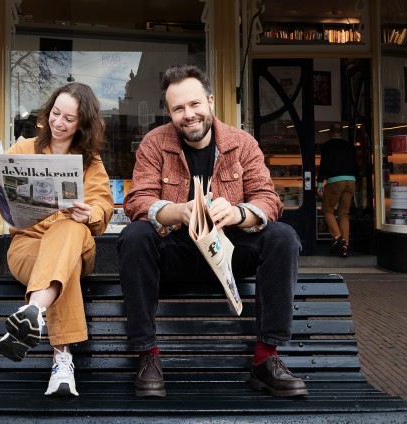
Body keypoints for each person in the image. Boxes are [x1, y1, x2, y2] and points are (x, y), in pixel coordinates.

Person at [117, 64, 307, 398]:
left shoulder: (242, 143)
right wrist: (178, 210)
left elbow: (269, 200)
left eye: (194, 105)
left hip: (229, 257)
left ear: (211, 102)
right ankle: (148, 355)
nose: (188, 115)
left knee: (283, 237)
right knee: (133, 237)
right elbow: (136, 201)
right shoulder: (153, 144)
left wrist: (238, 213)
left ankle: (266, 359)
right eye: (178, 108)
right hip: (175, 254)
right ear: (169, 112)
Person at [0, 82, 114, 397]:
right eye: (56, 113)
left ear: (83, 123)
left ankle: (33, 310)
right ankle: (60, 357)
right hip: (28, 249)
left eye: (69, 119)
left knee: (68, 228)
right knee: (62, 271)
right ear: (48, 112)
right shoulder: (23, 149)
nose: (59, 122)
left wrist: (90, 213)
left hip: (74, 243)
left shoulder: (90, 160)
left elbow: (104, 206)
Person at [316, 123, 358, 258]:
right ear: (341, 132)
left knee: (327, 210)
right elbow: (356, 165)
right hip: (351, 181)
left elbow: (324, 166)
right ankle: (344, 248)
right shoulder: (350, 146)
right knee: (344, 214)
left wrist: (319, 184)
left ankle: (338, 238)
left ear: (330, 132)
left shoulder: (327, 146)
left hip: (335, 181)